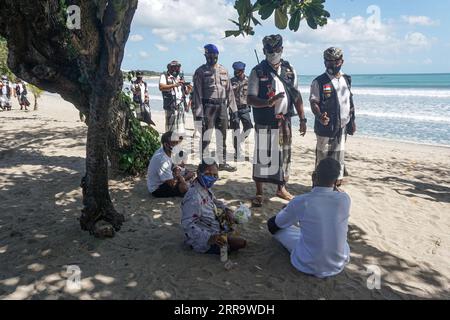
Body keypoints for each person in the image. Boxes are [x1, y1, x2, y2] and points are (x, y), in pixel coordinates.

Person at [247, 34, 307, 206]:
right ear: (264, 51)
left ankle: (281, 188)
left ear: (282, 49)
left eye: (276, 50)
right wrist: (268, 102)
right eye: (269, 50)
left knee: (284, 155)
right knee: (262, 156)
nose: (273, 53)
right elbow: (250, 99)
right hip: (264, 120)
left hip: (284, 121)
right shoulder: (257, 71)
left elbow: (296, 96)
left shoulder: (289, 70)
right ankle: (259, 192)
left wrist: (303, 118)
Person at [267, 158, 351, 278]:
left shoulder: (302, 201)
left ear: (313, 176)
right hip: (337, 263)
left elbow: (274, 225)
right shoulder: (345, 199)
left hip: (308, 263)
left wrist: (287, 210)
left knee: (278, 228)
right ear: (336, 181)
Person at [310, 47, 356, 186]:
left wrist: (352, 122)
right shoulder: (319, 81)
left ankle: (335, 186)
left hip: (341, 127)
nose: (332, 64)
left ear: (342, 61)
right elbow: (313, 102)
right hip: (325, 128)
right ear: (325, 62)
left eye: (336, 61)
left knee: (338, 159)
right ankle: (317, 186)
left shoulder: (346, 79)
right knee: (322, 159)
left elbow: (350, 102)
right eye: (329, 61)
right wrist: (319, 115)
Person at [181, 159, 247, 254]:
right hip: (204, 237)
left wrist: (227, 209)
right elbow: (187, 225)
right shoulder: (193, 197)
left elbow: (214, 201)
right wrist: (210, 238)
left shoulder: (204, 187)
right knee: (240, 243)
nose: (212, 178)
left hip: (213, 226)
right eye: (208, 174)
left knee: (234, 226)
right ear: (199, 173)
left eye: (215, 175)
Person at [193, 44, 240, 172]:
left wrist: (234, 110)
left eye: (214, 56)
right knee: (206, 136)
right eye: (209, 56)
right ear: (205, 56)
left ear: (218, 56)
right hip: (208, 106)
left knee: (222, 136)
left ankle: (223, 162)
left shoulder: (224, 70)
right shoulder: (200, 71)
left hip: (222, 107)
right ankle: (204, 163)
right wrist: (198, 114)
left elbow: (229, 92)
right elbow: (196, 94)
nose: (212, 58)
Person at [147, 132, 194, 198]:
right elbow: (172, 183)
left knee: (189, 172)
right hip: (157, 189)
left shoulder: (166, 150)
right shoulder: (162, 160)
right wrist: (183, 178)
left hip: (167, 179)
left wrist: (177, 169)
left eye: (177, 142)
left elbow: (175, 164)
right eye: (174, 143)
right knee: (184, 187)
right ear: (166, 145)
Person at [159, 61, 192, 135]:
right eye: (174, 68)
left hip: (181, 105)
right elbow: (161, 87)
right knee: (170, 128)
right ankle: (169, 143)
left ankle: (178, 142)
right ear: (170, 68)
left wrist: (189, 89)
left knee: (180, 128)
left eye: (177, 68)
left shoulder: (179, 77)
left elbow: (185, 93)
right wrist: (174, 85)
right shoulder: (164, 76)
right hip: (170, 105)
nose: (176, 70)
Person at [230, 61, 253, 161]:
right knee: (235, 130)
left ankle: (240, 141)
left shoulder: (250, 80)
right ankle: (237, 152)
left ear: (242, 70)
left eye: (237, 71)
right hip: (234, 108)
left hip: (245, 108)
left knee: (248, 126)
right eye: (234, 70)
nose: (235, 72)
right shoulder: (231, 81)